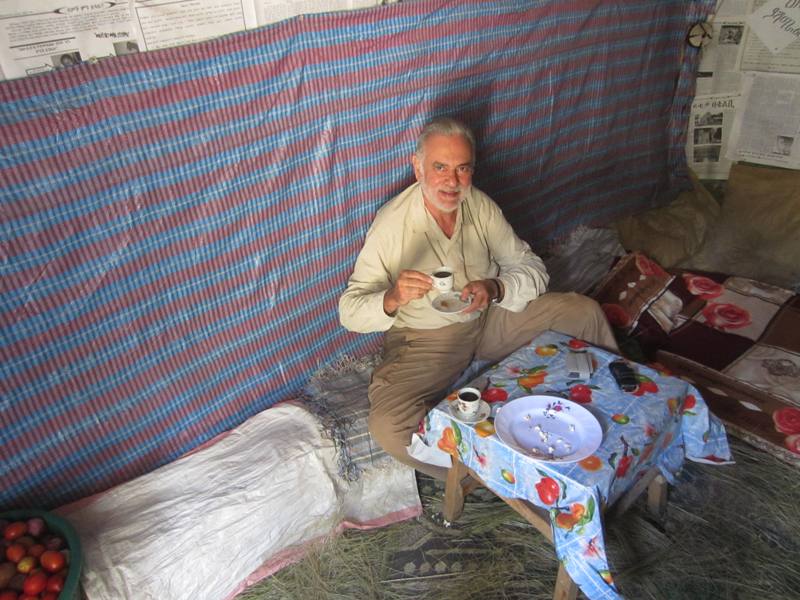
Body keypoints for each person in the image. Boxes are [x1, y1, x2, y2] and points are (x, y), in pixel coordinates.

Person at [339, 117, 618, 480]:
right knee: (389, 426)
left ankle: (614, 411)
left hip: (487, 319)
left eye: (462, 169)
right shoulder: (392, 223)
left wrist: (496, 288)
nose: (452, 182)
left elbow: (531, 267)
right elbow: (350, 310)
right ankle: (492, 474)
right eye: (439, 167)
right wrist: (391, 298)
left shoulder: (480, 205)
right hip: (428, 342)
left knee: (582, 312)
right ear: (418, 166)